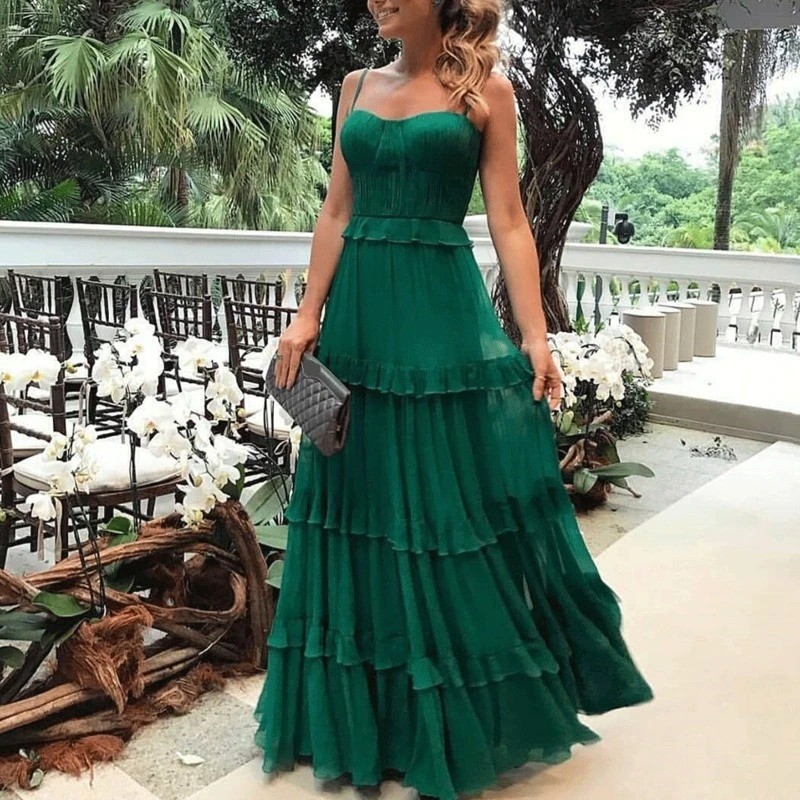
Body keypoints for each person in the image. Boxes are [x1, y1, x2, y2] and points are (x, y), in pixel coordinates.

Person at [253, 1, 654, 798]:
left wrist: (534, 334)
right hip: (359, 316)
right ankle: (362, 717)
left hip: (437, 314)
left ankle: (447, 716)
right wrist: (306, 315)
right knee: (358, 498)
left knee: (436, 512)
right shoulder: (355, 85)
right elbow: (336, 209)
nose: (377, 0)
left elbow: (509, 219)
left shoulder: (486, 90)